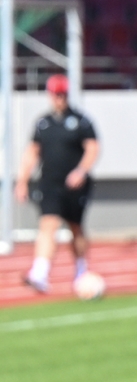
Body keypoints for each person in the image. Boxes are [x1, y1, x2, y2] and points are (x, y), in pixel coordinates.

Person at [13, 75, 98, 295]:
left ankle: (81, 270)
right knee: (48, 224)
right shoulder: (43, 123)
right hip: (50, 183)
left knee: (75, 228)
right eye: (56, 94)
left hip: (75, 186)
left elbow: (92, 148)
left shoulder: (81, 121)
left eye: (62, 94)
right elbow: (32, 152)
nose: (59, 98)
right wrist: (22, 181)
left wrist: (81, 171)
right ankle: (40, 273)